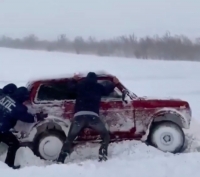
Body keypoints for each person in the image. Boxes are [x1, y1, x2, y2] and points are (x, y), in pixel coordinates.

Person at [57, 72, 119, 163]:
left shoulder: (80, 85)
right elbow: (107, 90)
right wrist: (115, 83)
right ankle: (102, 155)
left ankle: (61, 159)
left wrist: (73, 80)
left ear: (86, 78)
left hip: (79, 117)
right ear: (96, 80)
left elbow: (70, 89)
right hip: (93, 117)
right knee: (105, 136)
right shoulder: (98, 87)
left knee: (69, 139)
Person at [0, 85, 46, 169]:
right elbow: (27, 118)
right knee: (14, 144)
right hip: (1, 129)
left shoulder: (2, 95)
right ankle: (8, 166)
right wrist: (38, 117)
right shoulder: (18, 108)